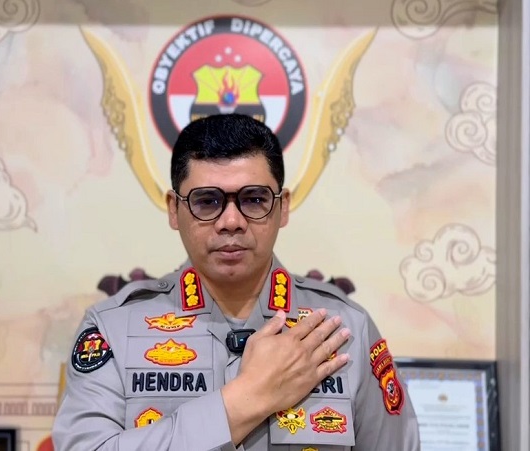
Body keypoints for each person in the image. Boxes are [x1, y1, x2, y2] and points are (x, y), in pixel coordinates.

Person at [52, 114, 420, 450]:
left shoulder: (345, 330)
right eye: (207, 201)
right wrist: (248, 399)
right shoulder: (114, 328)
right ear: (174, 209)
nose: (231, 221)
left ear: (283, 207)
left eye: (254, 199)